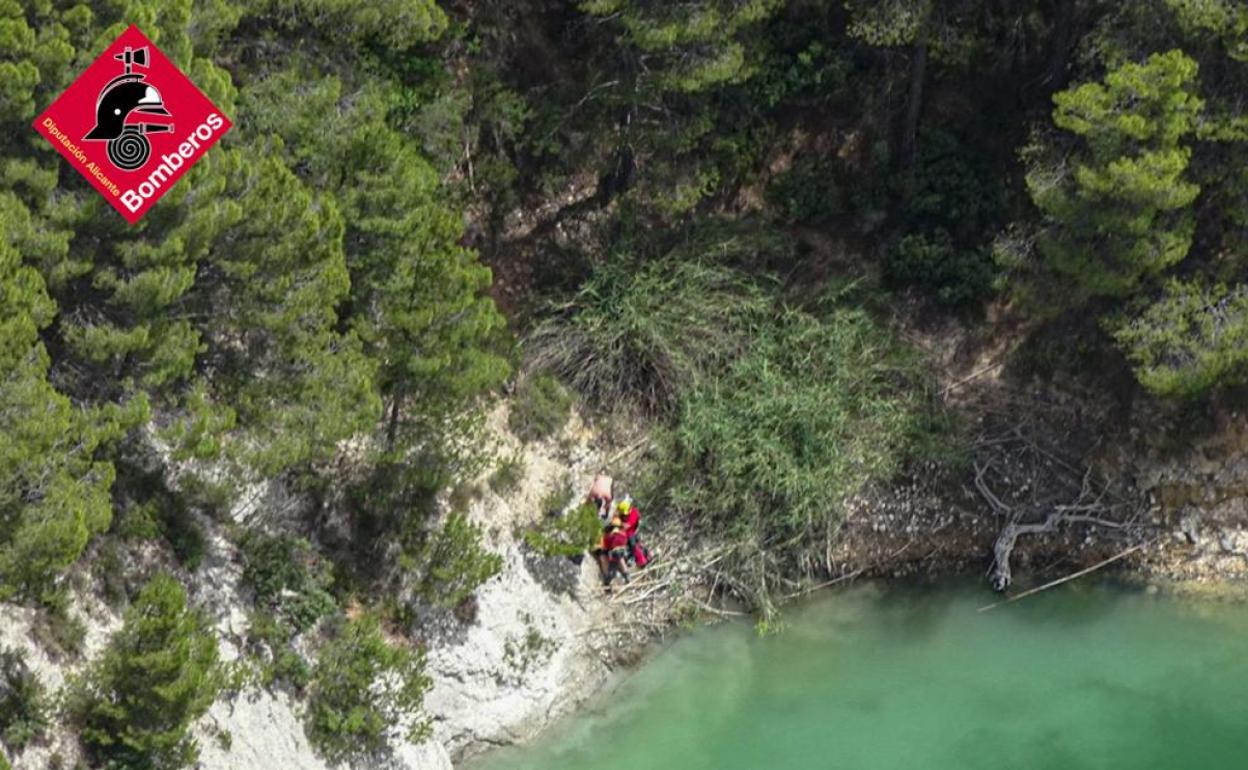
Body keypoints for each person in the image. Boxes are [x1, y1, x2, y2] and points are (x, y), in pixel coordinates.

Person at [614, 498, 650, 569]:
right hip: (625, 531)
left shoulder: (634, 513)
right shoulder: (622, 509)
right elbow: (617, 513)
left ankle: (642, 562)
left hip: (631, 532)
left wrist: (618, 526)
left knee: (633, 546)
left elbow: (626, 526)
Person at [600, 517, 631, 589]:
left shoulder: (610, 535)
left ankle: (608, 581)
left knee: (604, 559)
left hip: (613, 553)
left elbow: (605, 547)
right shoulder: (622, 533)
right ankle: (626, 576)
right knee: (620, 559)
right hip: (621, 553)